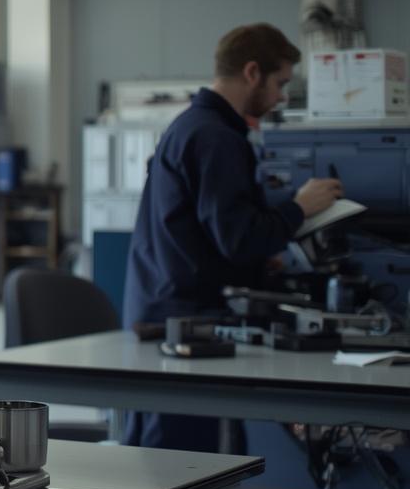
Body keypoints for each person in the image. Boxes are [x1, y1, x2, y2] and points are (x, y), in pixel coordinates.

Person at [123, 24, 344, 452]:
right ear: (251, 72)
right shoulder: (215, 138)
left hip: (168, 309)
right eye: (280, 83)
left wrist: (261, 262)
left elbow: (207, 233)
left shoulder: (195, 126)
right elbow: (238, 238)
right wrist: (301, 207)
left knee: (167, 459)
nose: (281, 96)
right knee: (179, 470)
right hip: (186, 322)